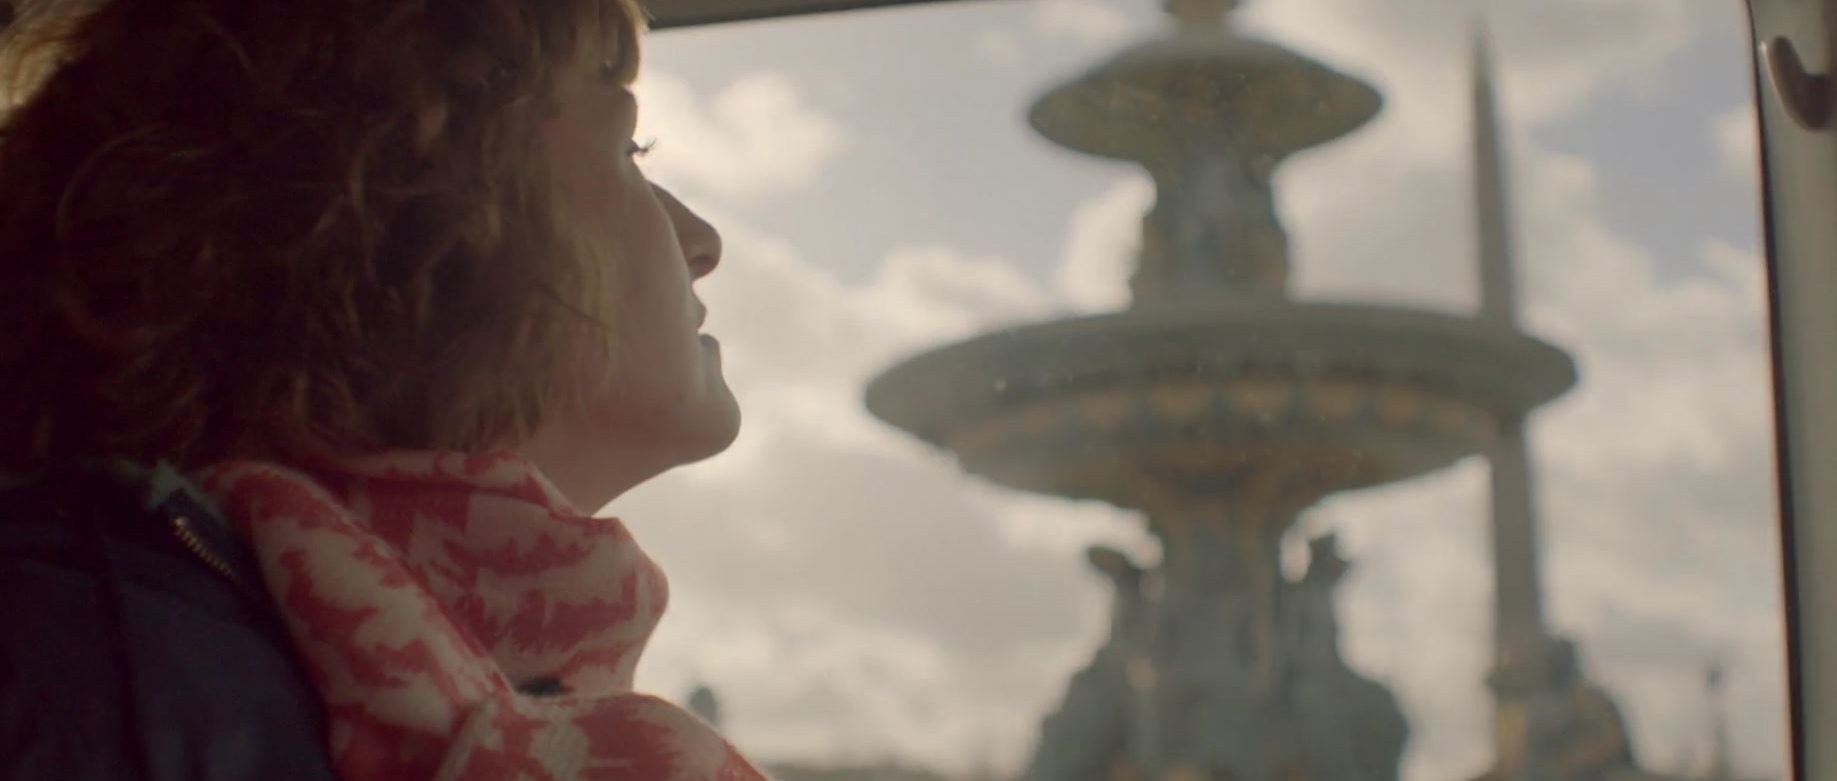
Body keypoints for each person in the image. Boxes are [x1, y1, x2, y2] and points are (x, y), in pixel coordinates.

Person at [0, 0, 758, 778]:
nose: (703, 242)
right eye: (631, 150)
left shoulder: (160, 661)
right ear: (425, 224)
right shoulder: (61, 679)